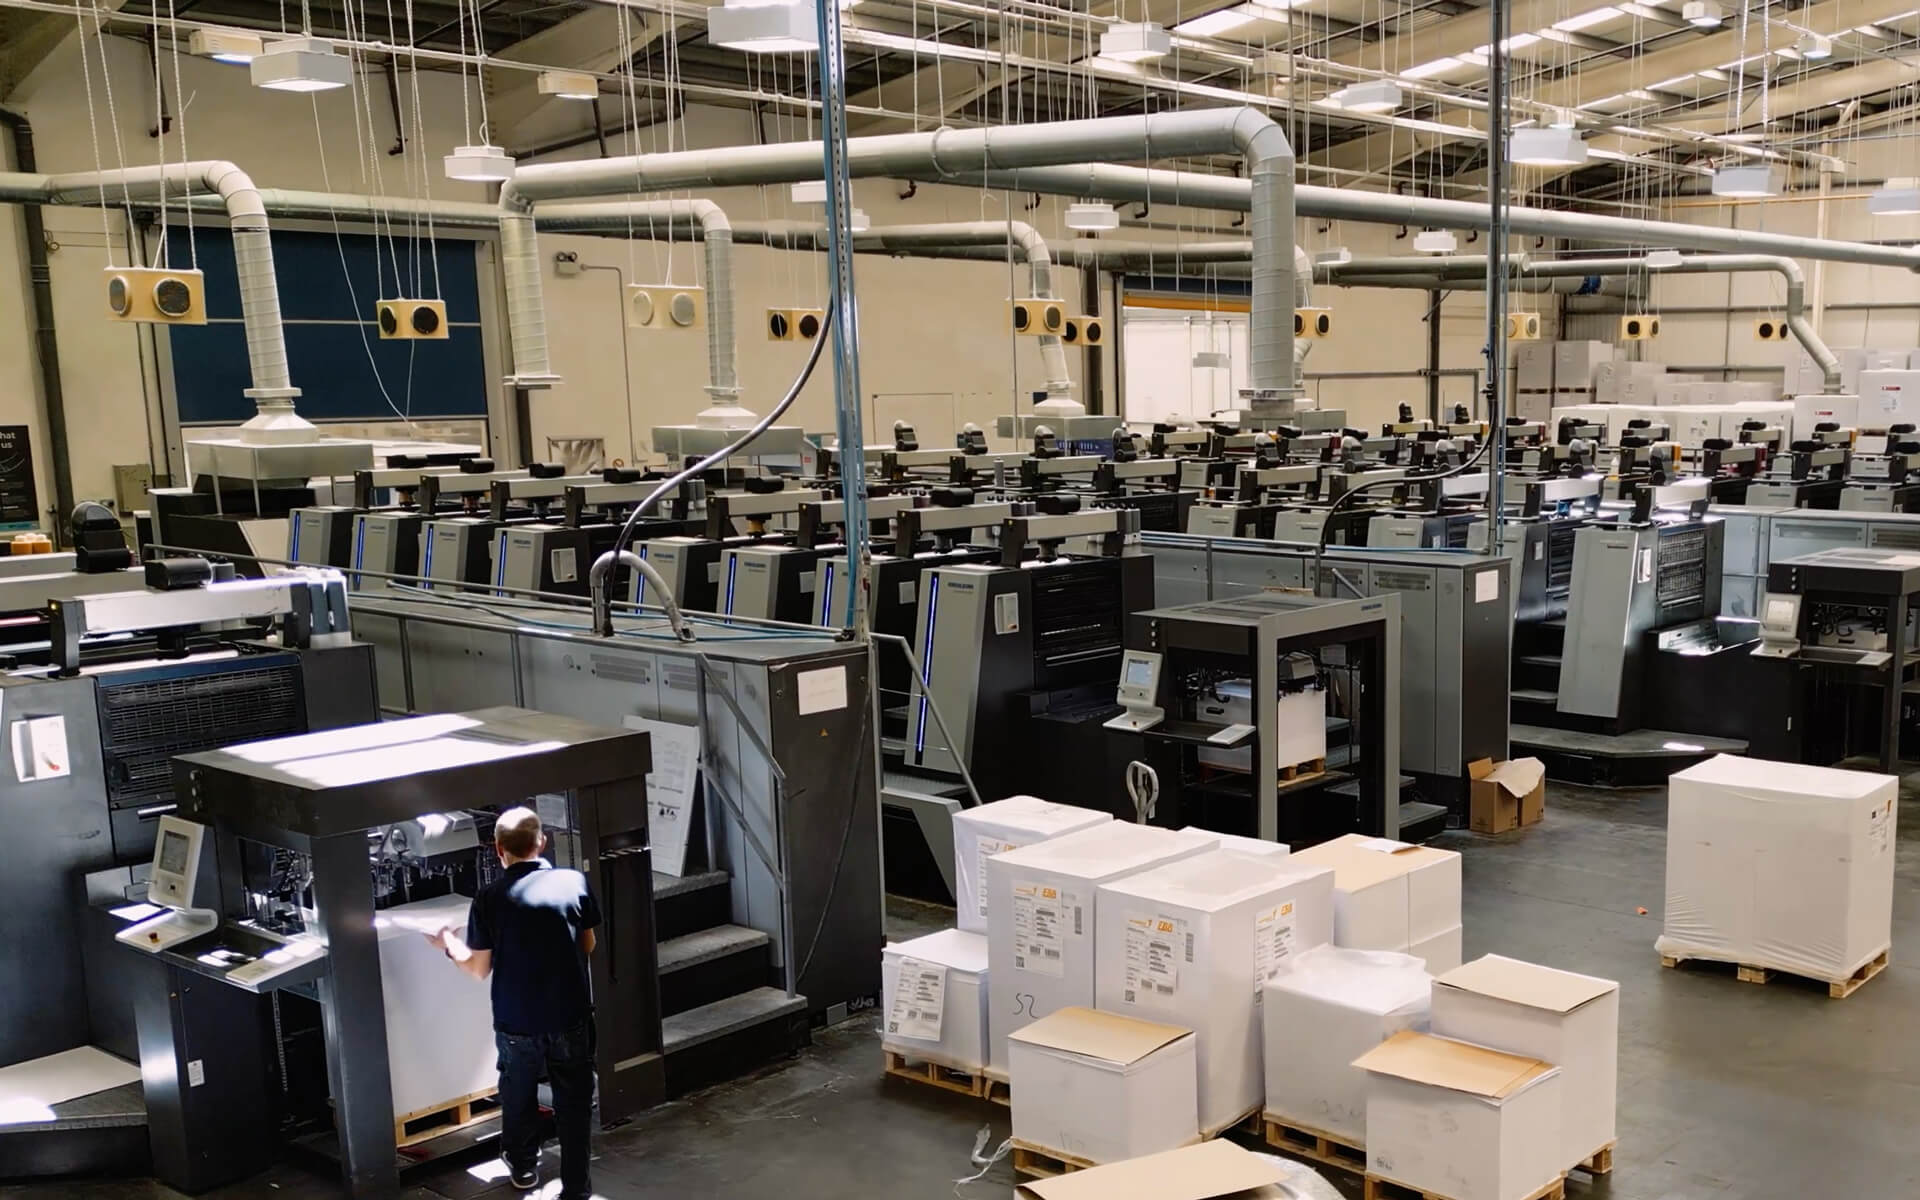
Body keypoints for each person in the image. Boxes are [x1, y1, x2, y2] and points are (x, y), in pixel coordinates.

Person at [428, 806, 601, 1198]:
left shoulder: (489, 898)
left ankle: (524, 1168)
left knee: (518, 1096)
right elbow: (588, 944)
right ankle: (577, 1187)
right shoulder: (574, 882)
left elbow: (477, 969)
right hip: (570, 1014)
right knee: (573, 1102)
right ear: (543, 841)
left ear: (498, 849)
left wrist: (449, 944)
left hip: (517, 1019)